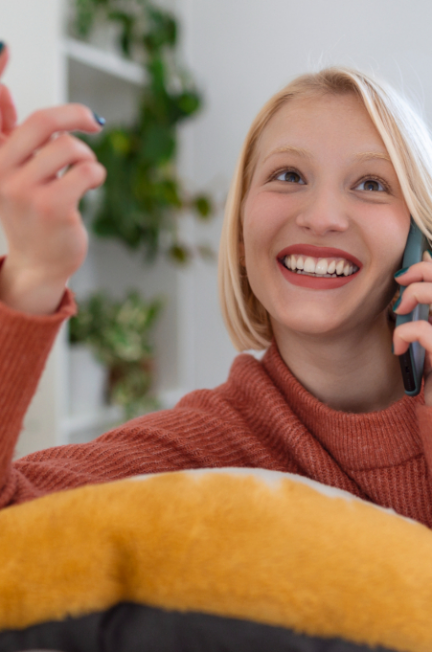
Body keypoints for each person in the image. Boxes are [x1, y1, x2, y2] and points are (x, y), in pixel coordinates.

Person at [0, 42, 431, 526]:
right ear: (243, 228)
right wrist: (32, 277)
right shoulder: (201, 445)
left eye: (371, 184)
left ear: (421, 239)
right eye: (288, 175)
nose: (321, 217)